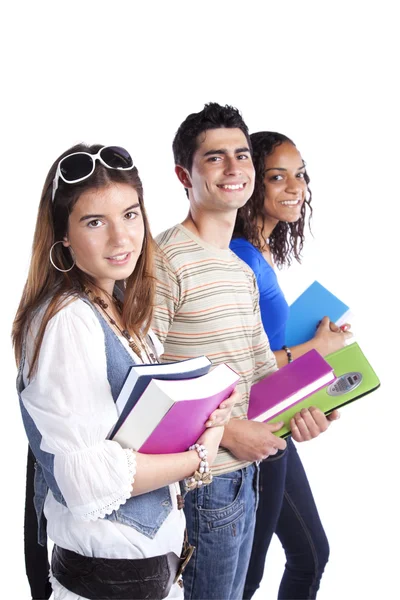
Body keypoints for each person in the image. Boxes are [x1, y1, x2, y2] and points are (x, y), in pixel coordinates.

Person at [13, 143, 236, 600]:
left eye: (130, 215)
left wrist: (204, 416)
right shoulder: (68, 321)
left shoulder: (115, 309)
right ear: (64, 236)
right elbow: (85, 480)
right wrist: (201, 457)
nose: (121, 239)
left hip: (148, 579)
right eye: (95, 222)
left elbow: (128, 437)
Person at [152, 103, 288, 600]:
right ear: (183, 175)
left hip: (244, 480)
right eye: (215, 158)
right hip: (201, 486)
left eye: (242, 154)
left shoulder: (239, 267)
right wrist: (232, 431)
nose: (234, 169)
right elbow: (139, 383)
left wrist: (310, 407)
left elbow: (259, 370)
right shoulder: (162, 261)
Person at [230, 131, 352, 599]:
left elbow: (266, 345)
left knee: (311, 554)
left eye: (299, 174)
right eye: (277, 176)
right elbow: (242, 363)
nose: (294, 186)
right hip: (249, 432)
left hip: (275, 423)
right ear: (250, 185)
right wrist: (314, 349)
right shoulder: (239, 256)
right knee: (246, 575)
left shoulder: (259, 252)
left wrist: (319, 364)